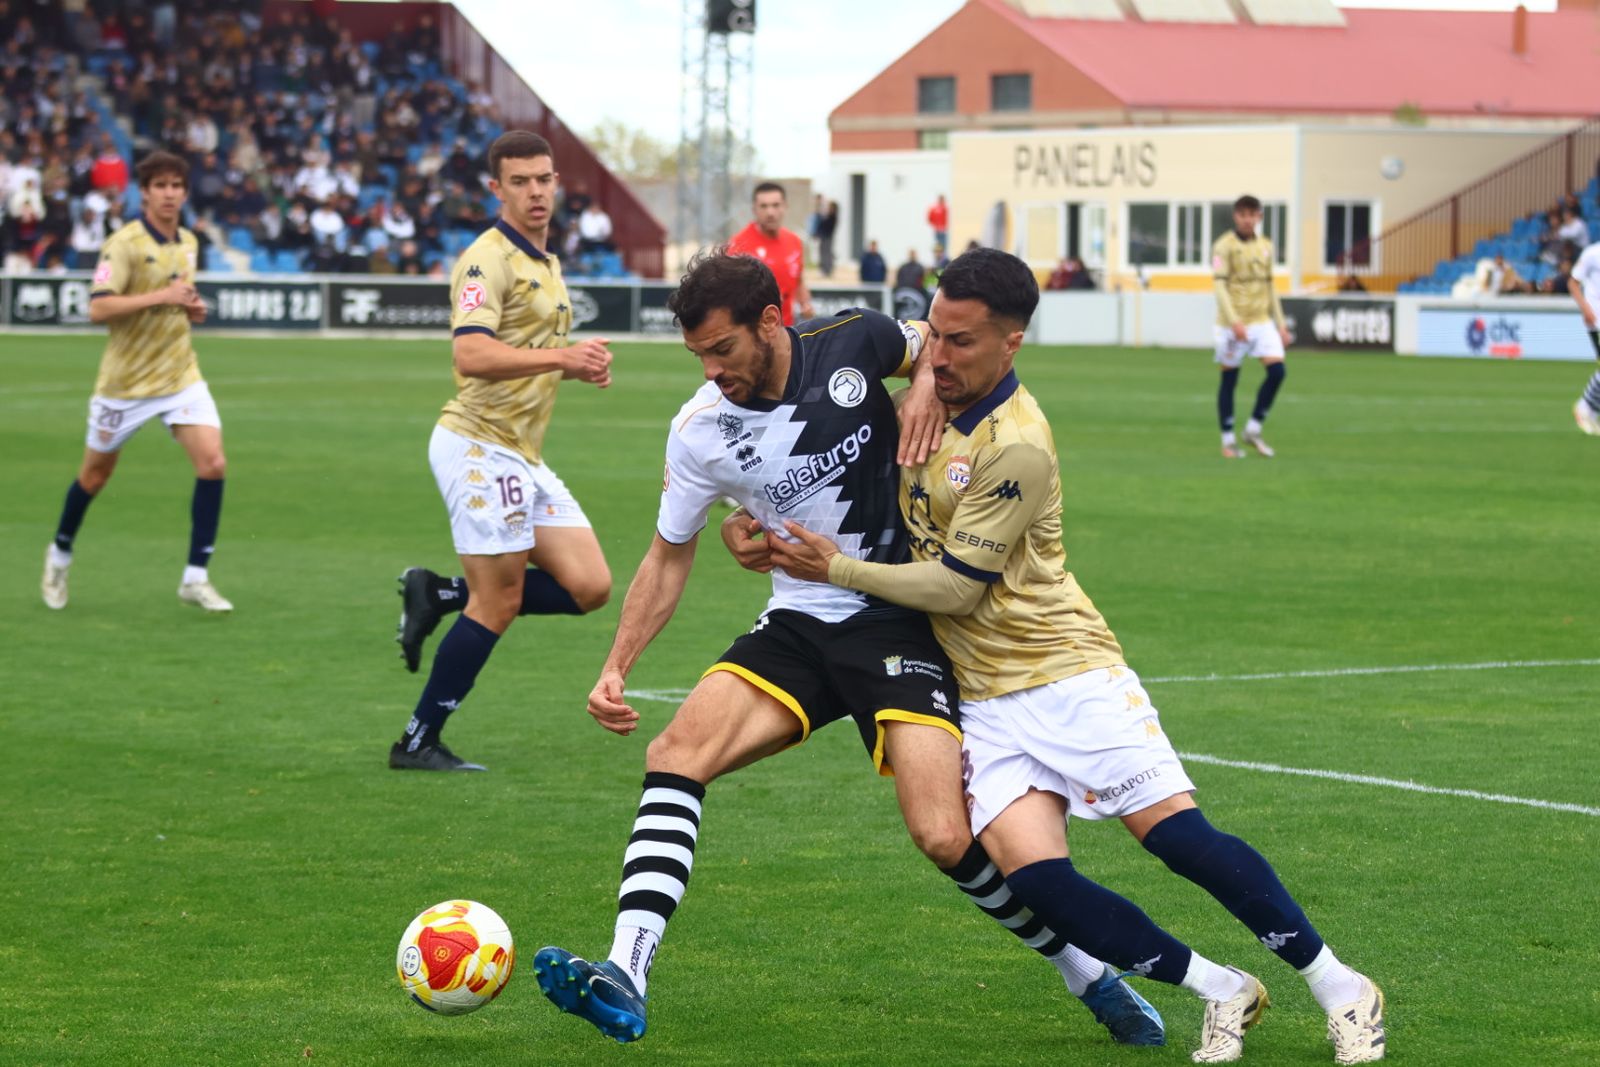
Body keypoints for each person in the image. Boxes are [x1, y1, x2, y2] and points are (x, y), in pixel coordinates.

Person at [760, 248, 1388, 1065]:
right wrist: (915, 375)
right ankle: (1221, 987)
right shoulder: (930, 373)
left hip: (1066, 670)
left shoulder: (1017, 444)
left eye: (961, 344)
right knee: (1038, 880)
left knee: (1177, 839)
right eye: (936, 336)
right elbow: (872, 369)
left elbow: (956, 589)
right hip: (980, 695)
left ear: (1012, 342)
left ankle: (1342, 986)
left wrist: (831, 566)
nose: (941, 356)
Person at [530, 251, 1165, 1048]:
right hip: (799, 621)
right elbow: (668, 553)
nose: (712, 370)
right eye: (698, 355)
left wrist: (927, 381)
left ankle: (1087, 972)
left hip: (898, 619)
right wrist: (617, 665)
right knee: (676, 750)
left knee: (942, 833)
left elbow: (935, 342)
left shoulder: (856, 341)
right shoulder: (700, 430)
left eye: (723, 349)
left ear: (770, 323)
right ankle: (626, 971)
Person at [386, 131, 615, 772]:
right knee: (501, 602)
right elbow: (470, 352)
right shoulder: (486, 261)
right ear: (497, 189)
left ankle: (439, 595)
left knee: (589, 585)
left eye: (544, 179)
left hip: (520, 452)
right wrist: (561, 358)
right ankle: (417, 740)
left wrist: (573, 365)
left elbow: (531, 353)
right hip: (476, 447)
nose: (536, 191)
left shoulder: (546, 260)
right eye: (520, 181)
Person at [40, 150, 230, 613]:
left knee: (213, 464)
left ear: (185, 192)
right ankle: (59, 554)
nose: (169, 194)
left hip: (180, 374)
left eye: (176, 186)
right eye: (160, 186)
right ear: (143, 193)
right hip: (124, 385)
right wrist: (162, 295)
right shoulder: (121, 244)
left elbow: (176, 298)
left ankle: (195, 577)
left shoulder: (188, 242)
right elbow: (98, 307)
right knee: (95, 476)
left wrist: (190, 308)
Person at [1212, 195, 1290, 459]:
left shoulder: (1266, 246)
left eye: (1252, 214)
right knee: (1229, 379)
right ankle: (1228, 441)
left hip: (1261, 322)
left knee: (1278, 372)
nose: (1247, 219)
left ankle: (1253, 428)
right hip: (1232, 324)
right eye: (1242, 214)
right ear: (1236, 216)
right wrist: (1233, 320)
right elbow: (1219, 285)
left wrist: (1280, 323)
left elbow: (1270, 285)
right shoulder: (1223, 246)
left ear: (1259, 217)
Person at [727, 181, 813, 326]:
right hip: (752, 332)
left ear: (785, 206)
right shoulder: (738, 245)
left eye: (775, 205)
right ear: (754, 209)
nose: (770, 212)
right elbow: (728, 293)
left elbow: (799, 281)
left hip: (786, 331)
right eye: (764, 206)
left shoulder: (794, 242)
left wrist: (805, 304)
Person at [1564, 240, 1600, 435]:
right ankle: (1585, 407)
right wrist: (1585, 308)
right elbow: (1573, 283)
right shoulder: (1592, 253)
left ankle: (1588, 408)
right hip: (1596, 318)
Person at [815, 198, 838, 278]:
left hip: (827, 237)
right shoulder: (828, 216)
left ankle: (827, 270)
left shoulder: (832, 217)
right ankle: (824, 270)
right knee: (824, 253)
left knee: (826, 254)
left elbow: (826, 227)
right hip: (824, 237)